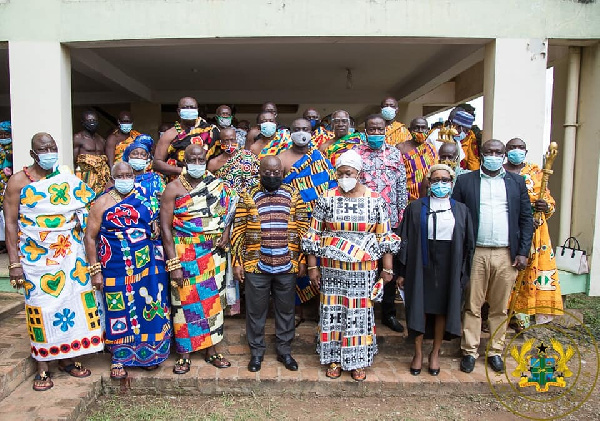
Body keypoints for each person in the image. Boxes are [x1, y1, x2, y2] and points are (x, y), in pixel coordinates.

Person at [4, 132, 102, 391]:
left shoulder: (67, 179)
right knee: (41, 307)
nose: (50, 152)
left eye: (53, 147)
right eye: (44, 148)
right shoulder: (17, 183)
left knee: (74, 302)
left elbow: (91, 205)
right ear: (33, 154)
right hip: (36, 257)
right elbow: (11, 224)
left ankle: (70, 357)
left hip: (71, 255)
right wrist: (14, 263)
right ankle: (43, 364)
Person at [303, 149, 400, 381]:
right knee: (332, 312)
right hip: (332, 267)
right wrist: (312, 266)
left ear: (359, 173)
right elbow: (314, 233)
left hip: (363, 268)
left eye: (349, 173)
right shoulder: (326, 198)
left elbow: (384, 235)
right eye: (340, 173)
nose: (344, 177)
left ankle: (358, 362)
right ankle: (334, 359)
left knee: (359, 312)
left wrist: (387, 269)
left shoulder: (375, 200)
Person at [452, 139, 533, 374]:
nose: (494, 156)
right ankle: (469, 351)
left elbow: (526, 219)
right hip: (475, 252)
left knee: (499, 307)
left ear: (504, 155)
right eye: (489, 152)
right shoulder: (466, 180)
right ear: (482, 154)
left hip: (506, 254)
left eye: (498, 152)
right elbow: (457, 215)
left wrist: (522, 252)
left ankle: (496, 351)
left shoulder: (516, 182)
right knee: (472, 304)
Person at [84, 162, 171, 379]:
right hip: (115, 266)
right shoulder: (102, 203)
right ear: (113, 179)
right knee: (118, 309)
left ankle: (149, 355)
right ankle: (119, 358)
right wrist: (95, 270)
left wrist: (156, 226)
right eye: (120, 175)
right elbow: (90, 237)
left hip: (148, 264)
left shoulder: (146, 197)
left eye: (129, 174)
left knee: (150, 305)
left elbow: (158, 222)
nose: (125, 178)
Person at [160, 144, 238, 374]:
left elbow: (229, 211)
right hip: (184, 252)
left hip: (213, 253)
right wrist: (173, 262)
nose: (196, 162)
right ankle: (184, 353)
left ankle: (211, 350)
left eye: (200, 158)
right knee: (184, 303)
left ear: (206, 159)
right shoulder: (172, 188)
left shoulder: (218, 185)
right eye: (192, 159)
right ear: (184, 161)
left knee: (211, 302)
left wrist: (225, 234)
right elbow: (165, 228)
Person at [231, 156, 309, 373]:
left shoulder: (293, 194)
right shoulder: (248, 195)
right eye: (268, 172)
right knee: (256, 312)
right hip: (256, 265)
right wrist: (237, 262)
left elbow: (303, 226)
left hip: (287, 264)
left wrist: (302, 259)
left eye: (277, 173)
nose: (272, 176)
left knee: (285, 310)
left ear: (282, 174)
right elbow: (238, 230)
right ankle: (256, 353)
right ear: (260, 172)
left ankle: (285, 351)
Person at [396, 164, 474, 376]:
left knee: (442, 308)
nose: (441, 184)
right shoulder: (415, 208)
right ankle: (418, 353)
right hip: (421, 262)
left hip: (449, 262)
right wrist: (401, 271)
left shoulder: (461, 210)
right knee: (419, 306)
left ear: (452, 182)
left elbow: (468, 244)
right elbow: (405, 241)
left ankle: (435, 352)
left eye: (445, 180)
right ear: (429, 182)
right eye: (436, 180)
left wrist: (463, 273)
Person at [279, 118, 337, 323]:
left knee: (322, 264)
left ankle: (322, 310)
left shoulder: (319, 155)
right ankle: (297, 311)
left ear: (311, 132)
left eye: (305, 129)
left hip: (322, 221)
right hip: (295, 220)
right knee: (296, 264)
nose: (301, 132)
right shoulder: (282, 158)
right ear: (289, 132)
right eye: (297, 129)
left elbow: (331, 185)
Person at [355, 114, 408, 333]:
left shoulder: (395, 153)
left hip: (390, 221)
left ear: (385, 130)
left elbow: (401, 187)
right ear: (365, 131)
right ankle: (363, 313)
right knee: (364, 267)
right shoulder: (355, 154)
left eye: (379, 129)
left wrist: (401, 219)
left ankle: (388, 313)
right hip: (363, 223)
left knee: (389, 269)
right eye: (372, 129)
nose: (376, 133)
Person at [504, 138, 562, 326]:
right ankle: (504, 312)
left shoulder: (536, 172)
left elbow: (549, 202)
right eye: (512, 147)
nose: (516, 151)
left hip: (535, 229)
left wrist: (544, 206)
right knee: (507, 269)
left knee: (530, 271)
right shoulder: (499, 172)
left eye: (520, 147)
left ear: (526, 152)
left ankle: (522, 315)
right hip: (509, 227)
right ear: (506, 151)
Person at [208, 127, 260, 316]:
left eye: (232, 140)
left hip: (247, 214)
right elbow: (211, 191)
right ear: (219, 142)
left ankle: (250, 304)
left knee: (248, 257)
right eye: (225, 141)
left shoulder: (248, 158)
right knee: (228, 259)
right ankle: (231, 305)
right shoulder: (214, 163)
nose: (229, 144)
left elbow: (257, 183)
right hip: (223, 216)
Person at [153, 96, 218, 181]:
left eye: (192, 107)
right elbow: (157, 163)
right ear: (179, 111)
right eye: (185, 107)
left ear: (197, 110)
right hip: (178, 181)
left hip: (206, 180)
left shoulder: (210, 130)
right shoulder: (169, 134)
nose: (189, 110)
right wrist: (183, 171)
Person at [397, 117, 438, 202]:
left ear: (428, 130)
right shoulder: (401, 148)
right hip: (407, 196)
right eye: (416, 128)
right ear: (409, 130)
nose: (420, 131)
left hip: (428, 196)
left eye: (423, 128)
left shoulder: (431, 148)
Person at [73, 110, 110, 195]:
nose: (92, 123)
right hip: (85, 176)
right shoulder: (78, 138)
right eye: (89, 121)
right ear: (83, 122)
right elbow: (74, 160)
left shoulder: (101, 139)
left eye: (94, 121)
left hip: (101, 178)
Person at [123, 134, 165, 200]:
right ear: (128, 156)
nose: (139, 157)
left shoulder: (155, 178)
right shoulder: (121, 178)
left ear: (147, 158)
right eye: (135, 154)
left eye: (143, 155)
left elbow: (164, 196)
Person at [0, 121, 13, 252]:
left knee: (6, 215)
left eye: (6, 134)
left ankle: (6, 244)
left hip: (7, 184)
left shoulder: (14, 148)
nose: (3, 137)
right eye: (1, 134)